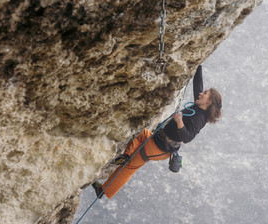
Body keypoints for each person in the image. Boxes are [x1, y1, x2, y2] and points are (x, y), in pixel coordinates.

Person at [92, 65, 222, 199]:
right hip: (160, 142)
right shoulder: (199, 105)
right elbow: (198, 85)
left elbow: (188, 137)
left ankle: (103, 191)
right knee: (142, 134)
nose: (201, 93)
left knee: (129, 167)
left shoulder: (200, 118)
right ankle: (126, 155)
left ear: (209, 102)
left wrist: (179, 122)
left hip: (159, 147)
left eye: (205, 93)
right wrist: (198, 65)